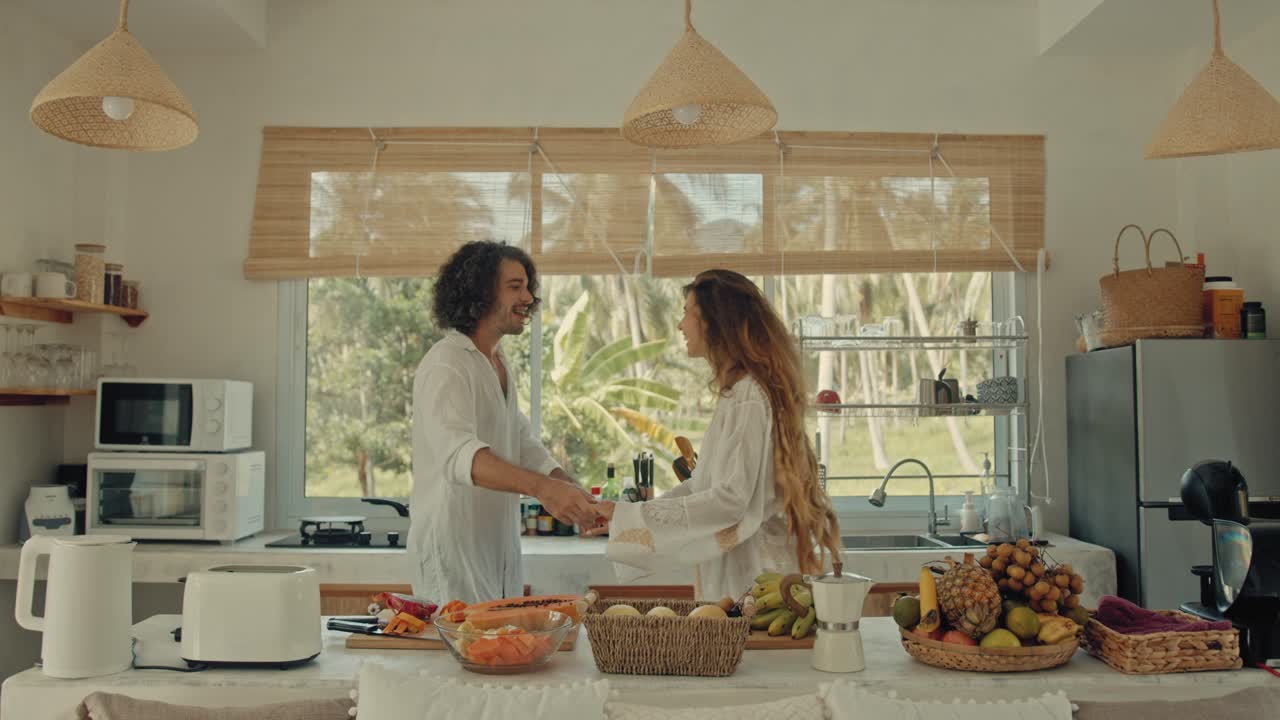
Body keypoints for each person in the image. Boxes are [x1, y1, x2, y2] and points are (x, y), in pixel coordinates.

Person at [586, 269, 842, 600]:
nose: (680, 326)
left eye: (686, 313)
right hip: (745, 573)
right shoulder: (739, 393)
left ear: (715, 321)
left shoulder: (748, 397)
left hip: (753, 580)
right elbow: (702, 486)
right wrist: (628, 523)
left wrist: (629, 517)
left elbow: (730, 499)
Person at [409, 241, 599, 603]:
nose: (529, 297)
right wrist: (543, 490)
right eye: (515, 286)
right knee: (461, 657)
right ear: (480, 291)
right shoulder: (447, 364)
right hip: (452, 554)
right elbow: (459, 456)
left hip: (494, 548)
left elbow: (519, 439)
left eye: (528, 287)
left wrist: (567, 487)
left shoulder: (495, 361)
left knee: (499, 649)